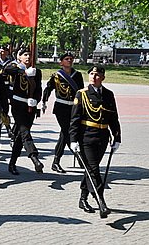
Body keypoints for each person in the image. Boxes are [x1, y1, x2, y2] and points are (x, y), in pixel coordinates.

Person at [69, 66, 121, 218]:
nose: (93, 77)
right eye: (91, 74)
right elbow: (74, 120)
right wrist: (73, 140)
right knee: (93, 169)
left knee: (92, 169)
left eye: (97, 75)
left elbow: (113, 118)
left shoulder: (108, 95)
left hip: (103, 136)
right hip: (86, 137)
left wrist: (117, 137)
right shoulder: (82, 94)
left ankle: (83, 198)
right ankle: (101, 202)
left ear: (103, 77)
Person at [42, 52, 84, 173]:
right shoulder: (57, 76)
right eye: (66, 59)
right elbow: (48, 88)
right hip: (61, 108)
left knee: (65, 133)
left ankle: (57, 162)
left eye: (71, 59)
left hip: (74, 108)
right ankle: (76, 156)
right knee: (67, 132)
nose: (69, 61)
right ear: (61, 62)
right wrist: (44, 101)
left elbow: (80, 92)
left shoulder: (77, 75)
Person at [4, 47, 43, 175]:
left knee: (21, 136)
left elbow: (38, 89)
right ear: (19, 57)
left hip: (30, 105)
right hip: (18, 104)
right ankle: (34, 157)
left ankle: (12, 163)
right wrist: (24, 72)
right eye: (25, 54)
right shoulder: (16, 68)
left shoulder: (37, 71)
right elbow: (7, 69)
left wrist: (36, 100)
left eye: (30, 55)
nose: (28, 57)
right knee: (25, 131)